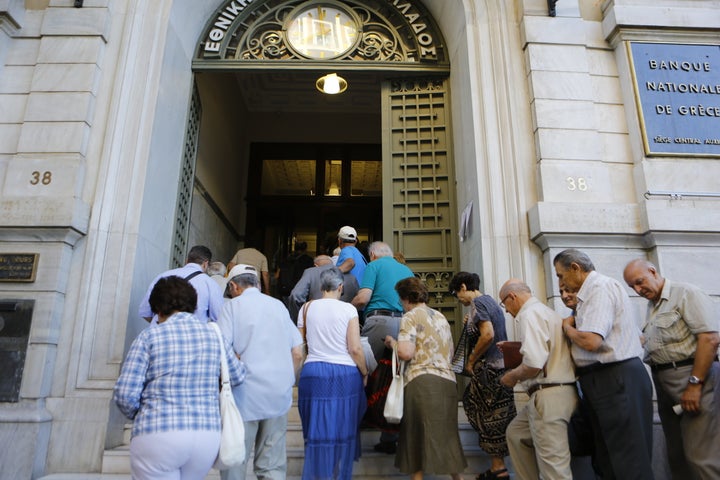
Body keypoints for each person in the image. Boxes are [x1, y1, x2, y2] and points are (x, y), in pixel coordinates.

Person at [114, 276, 246, 480]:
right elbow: (237, 376)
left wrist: (142, 414)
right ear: (192, 305)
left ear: (158, 309)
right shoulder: (215, 336)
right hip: (206, 435)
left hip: (157, 431)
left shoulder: (149, 337)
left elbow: (125, 394)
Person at [554, 248, 653, 480]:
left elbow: (591, 340)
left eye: (560, 275)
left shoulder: (598, 287)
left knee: (627, 459)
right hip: (603, 380)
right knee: (607, 458)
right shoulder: (588, 294)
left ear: (575, 268)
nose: (560, 281)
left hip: (615, 377)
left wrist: (568, 328)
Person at [623, 259, 720, 479]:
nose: (638, 290)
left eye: (639, 282)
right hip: (665, 383)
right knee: (678, 457)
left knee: (702, 457)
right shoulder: (653, 305)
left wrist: (695, 384)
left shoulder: (685, 293)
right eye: (632, 287)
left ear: (652, 271)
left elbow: (710, 339)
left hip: (692, 379)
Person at [217, 264, 304, 480]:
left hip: (244, 394)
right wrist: (287, 379)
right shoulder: (278, 306)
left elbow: (222, 351)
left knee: (235, 460)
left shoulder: (231, 307)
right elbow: (297, 352)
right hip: (278, 395)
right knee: (272, 466)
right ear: (257, 283)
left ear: (234, 286)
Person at [383, 276, 467, 480]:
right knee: (447, 437)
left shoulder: (411, 316)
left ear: (405, 298)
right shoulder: (440, 317)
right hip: (447, 383)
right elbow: (451, 351)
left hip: (421, 381)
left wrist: (392, 343)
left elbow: (405, 352)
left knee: (415, 438)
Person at [498, 279, 578, 480]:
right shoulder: (546, 312)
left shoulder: (529, 314)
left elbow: (534, 361)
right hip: (560, 390)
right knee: (516, 434)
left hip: (548, 393)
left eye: (504, 304)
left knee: (554, 468)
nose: (506, 311)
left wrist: (511, 376)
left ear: (512, 297)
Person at [297, 267, 368, 480]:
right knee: (342, 427)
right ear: (340, 287)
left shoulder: (306, 308)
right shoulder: (348, 310)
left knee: (316, 428)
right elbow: (355, 348)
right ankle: (337, 473)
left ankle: (319, 474)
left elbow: (299, 347)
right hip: (344, 373)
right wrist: (364, 371)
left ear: (321, 287)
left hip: (313, 372)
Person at [448, 272, 515, 480]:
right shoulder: (489, 302)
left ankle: (498, 468)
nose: (457, 299)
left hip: (489, 371)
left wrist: (471, 360)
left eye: (456, 293)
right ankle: (498, 466)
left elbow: (488, 334)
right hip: (500, 369)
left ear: (463, 287)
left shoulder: (478, 303)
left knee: (486, 415)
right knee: (490, 414)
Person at [352, 241, 414, 454]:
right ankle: (390, 436)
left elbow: (363, 298)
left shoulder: (374, 266)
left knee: (364, 371)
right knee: (396, 377)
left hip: (379, 322)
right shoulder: (406, 269)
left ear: (372, 255)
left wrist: (345, 308)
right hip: (405, 323)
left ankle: (361, 421)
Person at [138, 245, 224, 323]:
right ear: (206, 264)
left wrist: (161, 326)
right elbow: (219, 318)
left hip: (158, 334)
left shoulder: (163, 276)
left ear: (187, 260)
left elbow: (145, 312)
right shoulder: (210, 284)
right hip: (192, 337)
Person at [288, 254, 359, 322]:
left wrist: (299, 317)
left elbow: (295, 296)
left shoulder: (310, 272)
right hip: (345, 324)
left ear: (315, 265)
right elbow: (359, 299)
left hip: (315, 321)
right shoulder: (352, 277)